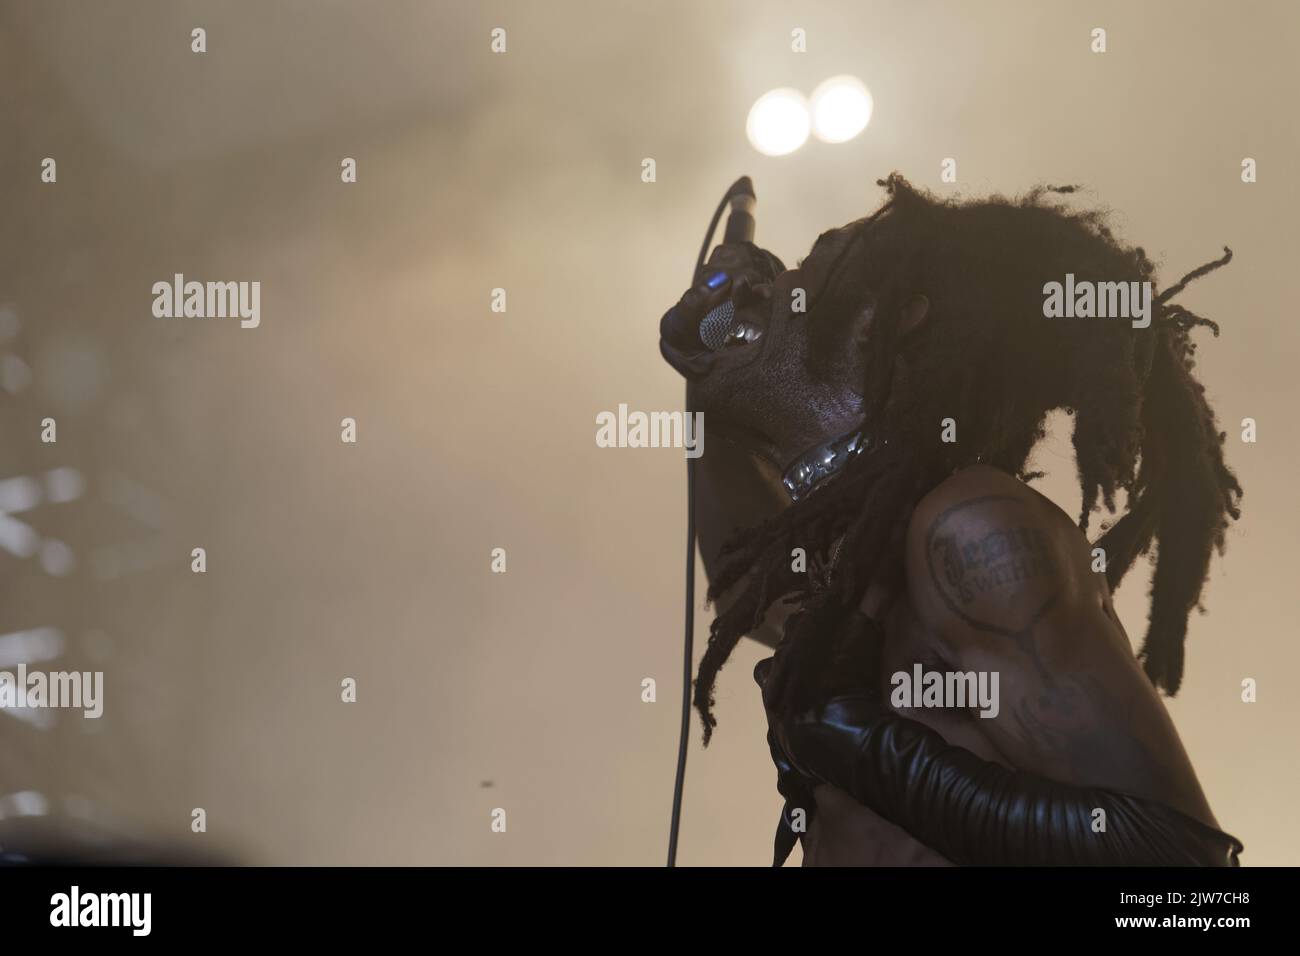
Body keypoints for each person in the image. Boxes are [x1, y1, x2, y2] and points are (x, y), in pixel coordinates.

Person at [658, 174, 1244, 866]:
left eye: (813, 262)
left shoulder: (968, 529)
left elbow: (1190, 880)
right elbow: (742, 591)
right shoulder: (853, 564)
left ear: (900, 316)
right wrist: (711, 377)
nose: (769, 282)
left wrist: (867, 748)